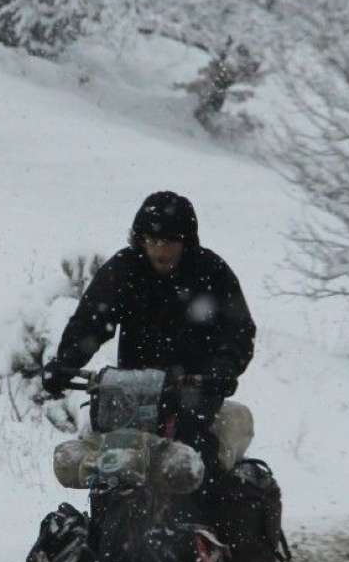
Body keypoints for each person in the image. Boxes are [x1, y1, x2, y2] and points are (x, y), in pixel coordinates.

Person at [42, 190, 255, 496]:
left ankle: (202, 531)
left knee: (195, 456)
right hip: (133, 391)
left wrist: (221, 371)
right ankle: (102, 531)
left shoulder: (211, 272)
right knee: (109, 462)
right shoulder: (125, 269)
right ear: (140, 240)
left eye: (169, 241)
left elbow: (238, 332)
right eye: (152, 241)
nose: (160, 250)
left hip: (194, 390)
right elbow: (91, 320)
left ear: (186, 242)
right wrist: (66, 363)